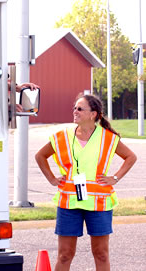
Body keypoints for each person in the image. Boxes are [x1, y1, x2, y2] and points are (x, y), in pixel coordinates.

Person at [35, 93, 137, 271]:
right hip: (69, 202)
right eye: (74, 108)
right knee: (65, 254)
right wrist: (52, 179)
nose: (75, 111)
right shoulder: (63, 136)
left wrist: (115, 177)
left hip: (99, 202)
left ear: (93, 114)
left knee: (101, 253)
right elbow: (40, 156)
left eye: (80, 109)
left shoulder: (108, 138)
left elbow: (131, 157)